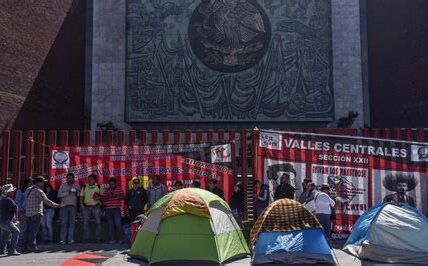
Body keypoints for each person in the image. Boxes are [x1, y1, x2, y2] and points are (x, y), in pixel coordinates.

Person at [24, 176, 61, 252]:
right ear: (39, 182)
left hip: (28, 213)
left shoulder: (28, 189)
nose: (44, 184)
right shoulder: (38, 191)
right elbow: (46, 201)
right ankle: (32, 246)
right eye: (43, 182)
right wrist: (57, 205)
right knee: (34, 231)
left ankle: (25, 246)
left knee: (28, 230)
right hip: (36, 212)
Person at [57, 173, 81, 244]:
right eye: (68, 178)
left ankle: (70, 239)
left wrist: (77, 193)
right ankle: (62, 239)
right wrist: (68, 192)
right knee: (64, 223)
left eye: (70, 178)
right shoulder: (63, 185)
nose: (69, 179)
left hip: (73, 206)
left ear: (73, 179)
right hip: (64, 206)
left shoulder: (77, 186)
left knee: (72, 223)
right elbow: (59, 195)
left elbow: (80, 195)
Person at [80, 174, 103, 243]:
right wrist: (81, 205)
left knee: (98, 223)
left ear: (94, 180)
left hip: (96, 207)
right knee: (85, 223)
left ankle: (98, 239)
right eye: (88, 179)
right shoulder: (85, 186)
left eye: (90, 179)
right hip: (86, 207)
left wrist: (98, 198)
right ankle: (86, 239)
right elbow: (81, 196)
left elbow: (102, 196)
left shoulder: (98, 186)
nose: (89, 180)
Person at [102, 178, 124, 244]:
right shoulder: (106, 190)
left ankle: (120, 239)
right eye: (110, 184)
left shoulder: (119, 189)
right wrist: (107, 197)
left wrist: (116, 196)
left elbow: (123, 197)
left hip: (116, 209)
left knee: (118, 224)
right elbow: (103, 199)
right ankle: (112, 239)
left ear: (115, 183)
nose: (111, 185)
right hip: (108, 209)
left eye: (112, 184)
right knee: (110, 225)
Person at [0, 184, 20, 256]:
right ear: (8, 192)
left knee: (5, 235)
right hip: (7, 220)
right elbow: (15, 208)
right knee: (16, 232)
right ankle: (12, 250)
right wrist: (16, 218)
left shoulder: (2, 199)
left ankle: (1, 250)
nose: (13, 192)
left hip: (2, 220)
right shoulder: (9, 200)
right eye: (11, 191)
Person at [15, 176, 32, 250]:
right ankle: (20, 244)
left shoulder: (33, 190)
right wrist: (21, 209)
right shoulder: (21, 190)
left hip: (31, 211)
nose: (31, 184)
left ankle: (27, 244)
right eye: (30, 182)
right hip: (23, 211)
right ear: (27, 183)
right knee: (23, 228)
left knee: (30, 228)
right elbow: (17, 201)